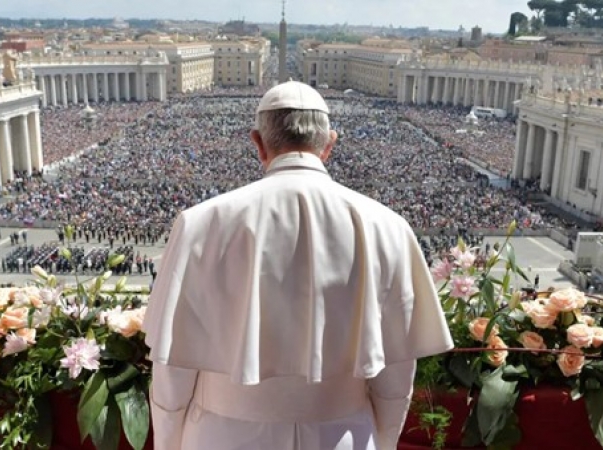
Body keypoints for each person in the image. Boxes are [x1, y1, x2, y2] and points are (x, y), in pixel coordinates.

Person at [142, 81, 454, 450]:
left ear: (257, 143)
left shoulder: (200, 223)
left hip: (222, 436)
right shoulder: (388, 226)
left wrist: (168, 442)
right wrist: (381, 440)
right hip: (344, 436)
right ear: (329, 145)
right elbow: (396, 379)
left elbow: (172, 371)